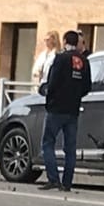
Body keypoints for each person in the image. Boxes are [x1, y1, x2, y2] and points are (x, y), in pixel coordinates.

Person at [39, 30, 91, 193]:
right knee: (70, 147)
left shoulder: (60, 58)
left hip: (56, 108)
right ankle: (67, 183)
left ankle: (53, 179)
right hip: (73, 109)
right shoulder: (84, 60)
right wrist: (75, 96)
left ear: (64, 41)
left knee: (47, 143)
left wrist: (49, 96)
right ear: (77, 43)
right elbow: (87, 87)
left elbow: (52, 83)